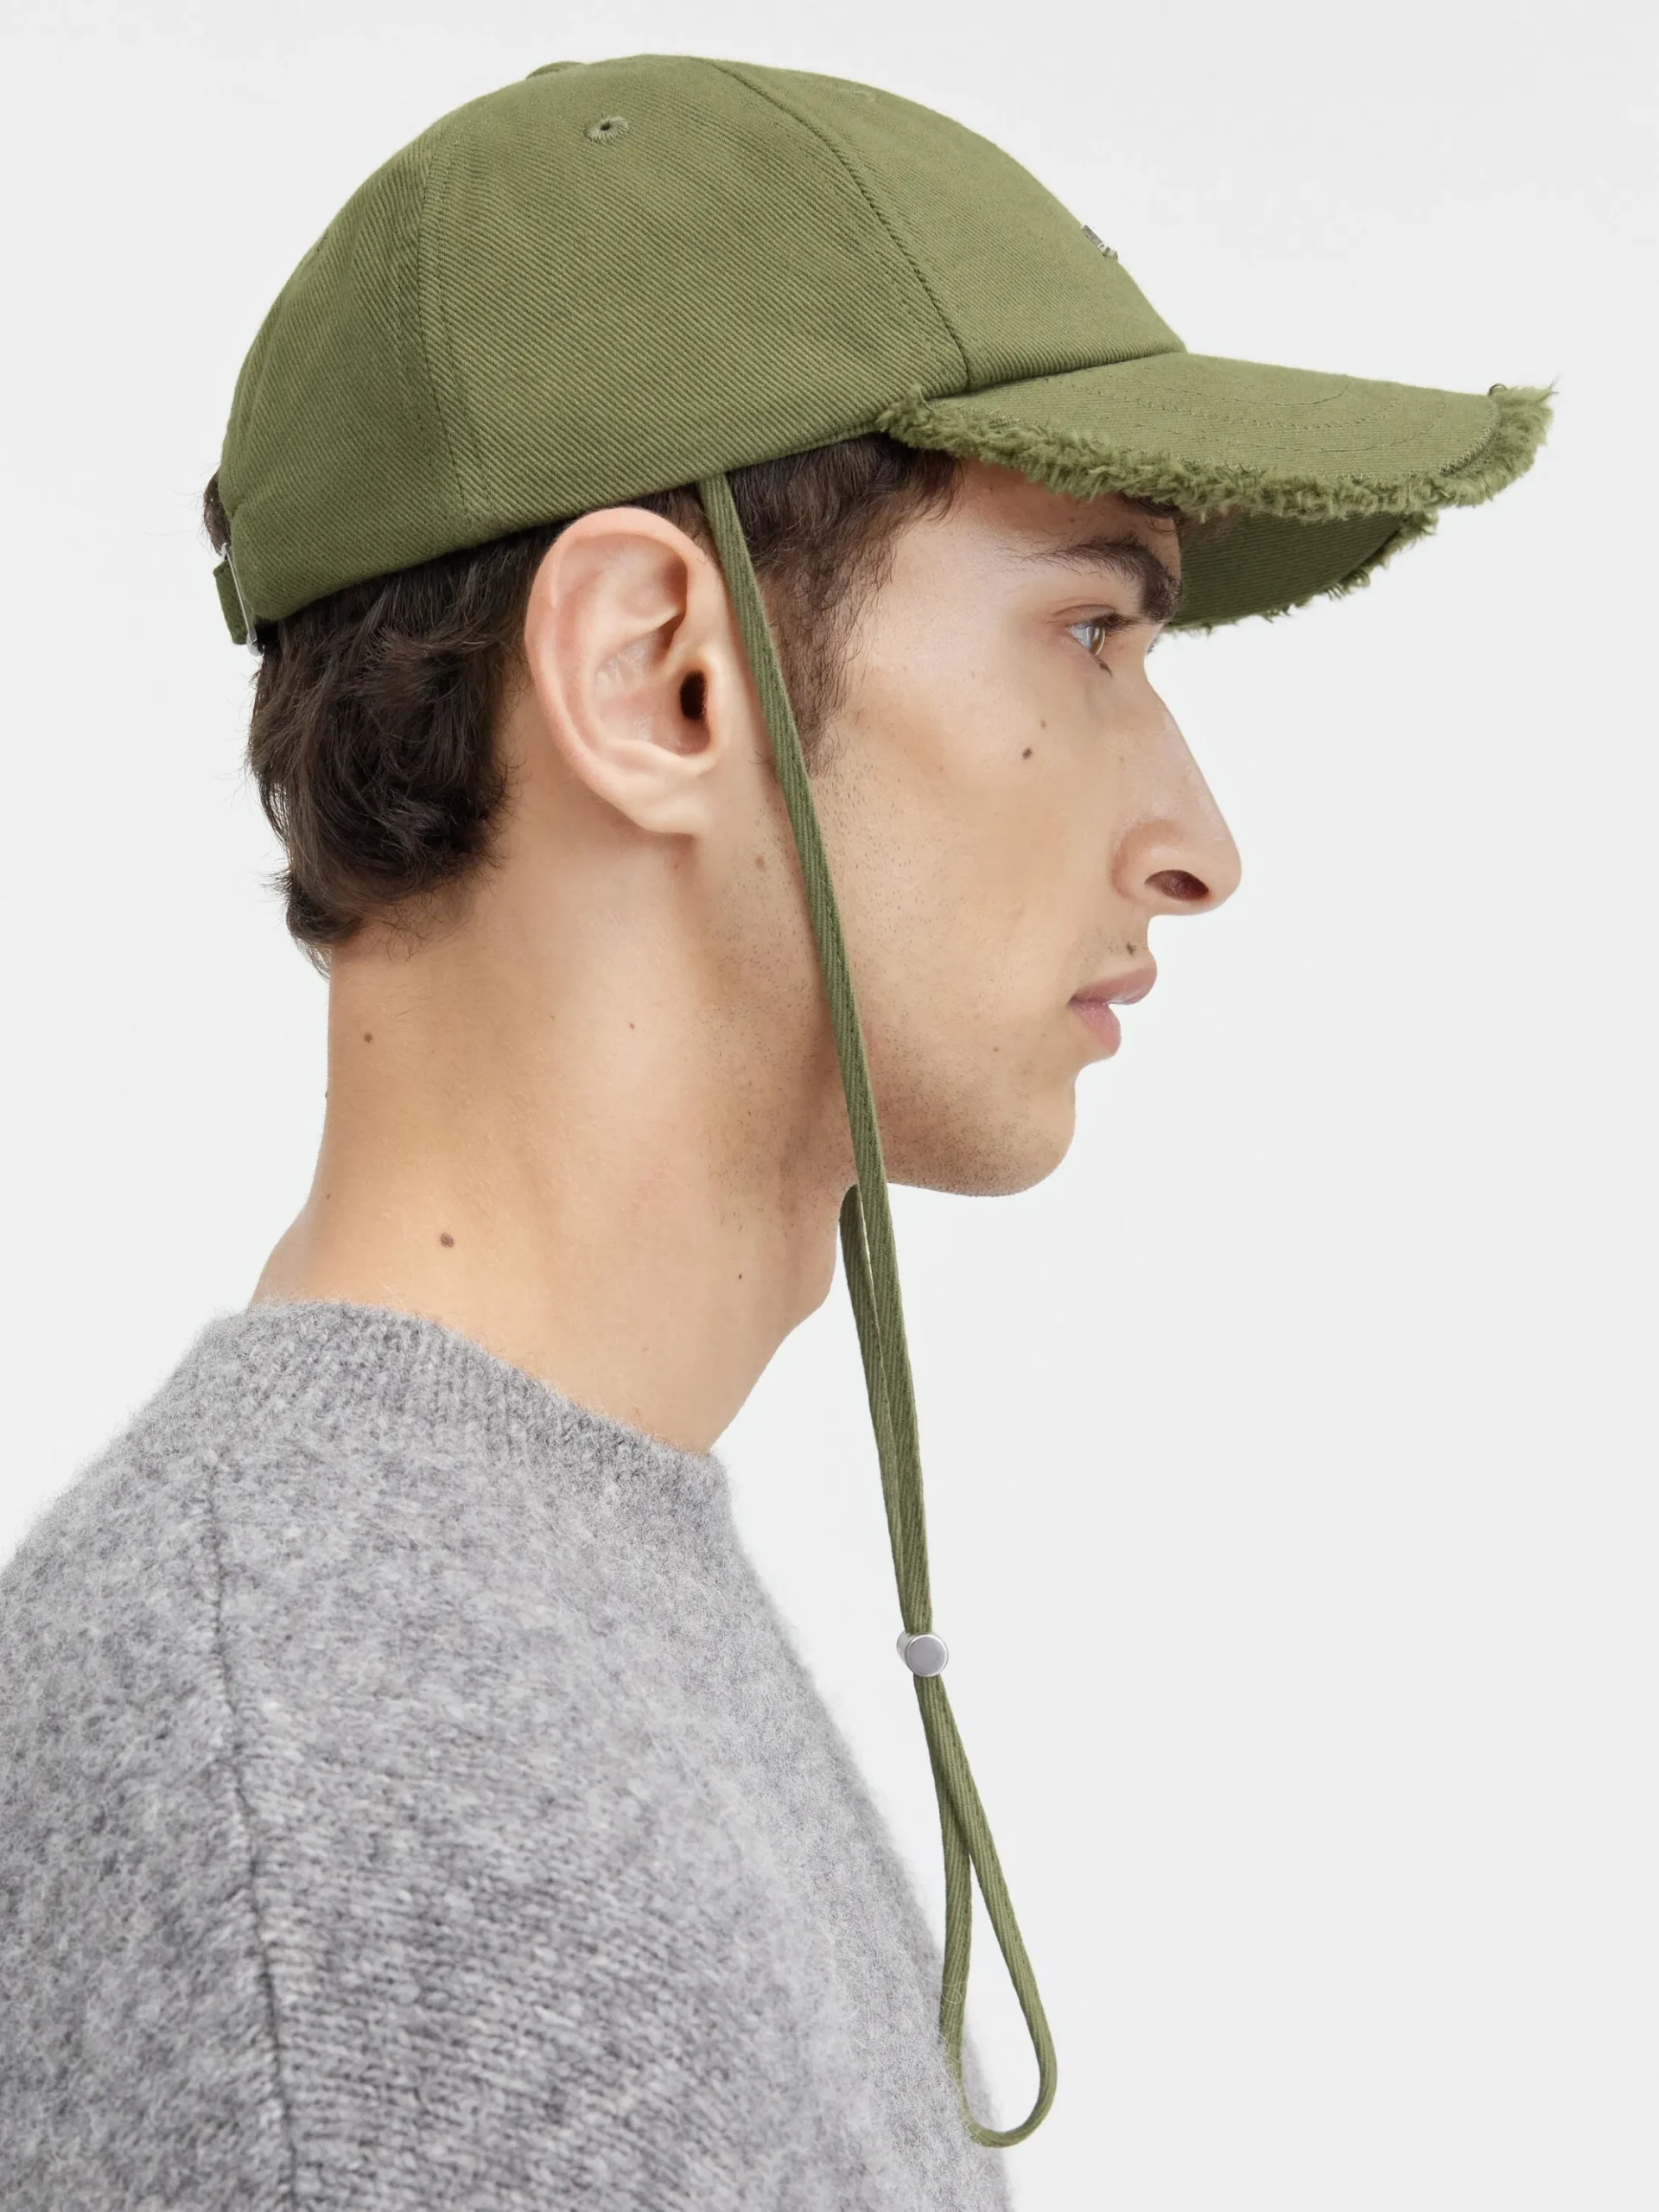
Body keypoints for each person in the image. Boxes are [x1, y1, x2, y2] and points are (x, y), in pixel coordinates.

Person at [0, 53, 1548, 2211]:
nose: (1199, 841)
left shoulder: (521, 1597)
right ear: (657, 672)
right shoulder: (372, 1810)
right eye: (1090, 629)